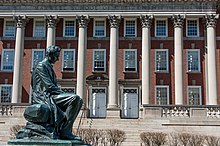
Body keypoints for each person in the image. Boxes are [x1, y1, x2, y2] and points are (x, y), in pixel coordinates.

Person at [31, 45, 83, 140]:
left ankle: (65, 130)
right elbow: (49, 86)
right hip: (44, 96)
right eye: (56, 56)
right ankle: (65, 131)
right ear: (50, 55)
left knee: (79, 100)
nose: (58, 59)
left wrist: (61, 93)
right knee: (74, 98)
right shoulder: (41, 66)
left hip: (50, 94)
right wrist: (63, 93)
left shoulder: (49, 67)